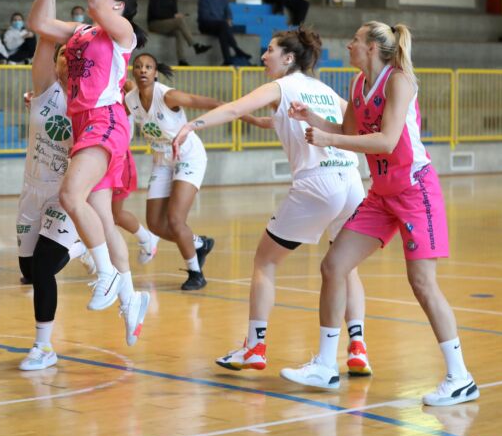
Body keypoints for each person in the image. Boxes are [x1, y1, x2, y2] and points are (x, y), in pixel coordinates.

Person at [279, 22, 477, 407]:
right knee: (334, 266)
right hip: (382, 194)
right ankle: (325, 365)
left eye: (354, 40)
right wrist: (313, 120)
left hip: (415, 190)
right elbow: (348, 130)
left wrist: (329, 139)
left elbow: (386, 141)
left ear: (371, 47)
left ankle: (460, 378)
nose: (348, 45)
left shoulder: (399, 81)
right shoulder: (358, 85)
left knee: (422, 283)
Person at [171, 29, 371, 375]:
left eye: (270, 50)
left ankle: (255, 346)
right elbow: (351, 124)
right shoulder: (324, 90)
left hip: (318, 183)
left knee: (265, 261)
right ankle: (358, 347)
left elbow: (233, 108)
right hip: (352, 183)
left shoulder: (281, 86)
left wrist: (191, 125)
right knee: (346, 266)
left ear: (288, 58)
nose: (264, 56)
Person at [29, 0, 150, 347]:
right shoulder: (81, 32)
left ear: (120, 7)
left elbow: (97, 3)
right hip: (84, 125)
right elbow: (39, 23)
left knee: (70, 196)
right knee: (102, 217)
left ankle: (107, 274)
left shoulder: (122, 35)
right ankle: (131, 299)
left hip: (106, 121)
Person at [126, 53, 265, 290]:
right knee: (155, 224)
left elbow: (216, 105)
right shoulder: (129, 99)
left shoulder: (168, 96)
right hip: (161, 160)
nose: (143, 70)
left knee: (175, 220)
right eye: (138, 66)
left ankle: (196, 274)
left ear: (156, 73)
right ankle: (199, 243)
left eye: (148, 67)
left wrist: (256, 121)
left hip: (188, 156)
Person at [16, 41, 96, 369]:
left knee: (44, 267)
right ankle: (79, 248)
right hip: (32, 189)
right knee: (28, 271)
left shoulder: (90, 100)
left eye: (74, 55)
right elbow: (44, 39)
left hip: (64, 192)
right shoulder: (44, 90)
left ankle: (43, 347)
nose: (68, 59)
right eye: (63, 53)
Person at [147, 0, 212, 65]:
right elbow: (156, 13)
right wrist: (174, 16)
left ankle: (182, 60)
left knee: (179, 32)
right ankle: (195, 45)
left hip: (167, 24)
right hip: (155, 24)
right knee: (179, 21)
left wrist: (177, 15)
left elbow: (174, 13)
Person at [197, 0, 252, 65]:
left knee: (223, 31)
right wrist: (222, 22)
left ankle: (227, 59)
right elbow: (204, 16)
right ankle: (236, 49)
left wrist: (229, 19)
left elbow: (228, 11)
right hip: (206, 25)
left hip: (220, 26)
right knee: (223, 26)